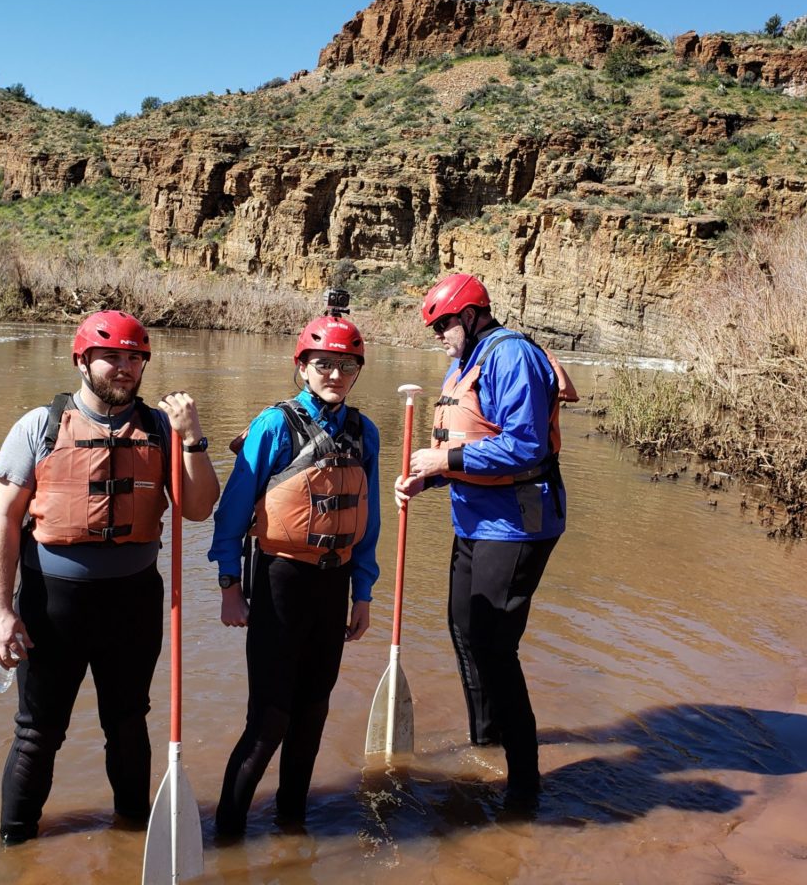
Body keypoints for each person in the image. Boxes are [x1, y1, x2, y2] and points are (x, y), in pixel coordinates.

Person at [0, 309, 219, 844]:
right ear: (81, 360)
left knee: (128, 722)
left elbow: (200, 508)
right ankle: (14, 848)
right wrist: (0, 611)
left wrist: (194, 436)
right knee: (38, 733)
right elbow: (2, 520)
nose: (124, 367)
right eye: (111, 356)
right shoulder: (38, 426)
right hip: (52, 602)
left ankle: (133, 839)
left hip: (134, 601)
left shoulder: (163, 429)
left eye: (134, 358)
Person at [394, 273, 572, 812]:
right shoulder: (464, 363)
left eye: (444, 324)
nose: (439, 335)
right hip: (474, 521)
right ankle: (485, 740)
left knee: (495, 646)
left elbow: (524, 447)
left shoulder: (509, 355)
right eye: (435, 328)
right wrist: (431, 478)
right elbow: (472, 437)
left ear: (471, 316)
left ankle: (523, 784)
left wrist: (443, 460)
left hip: (518, 524)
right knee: (463, 629)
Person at [209, 303, 380, 837]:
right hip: (280, 581)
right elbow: (233, 514)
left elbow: (366, 522)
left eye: (346, 366)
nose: (335, 375)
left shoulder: (364, 431)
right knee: (270, 720)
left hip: (333, 586)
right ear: (301, 366)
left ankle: (292, 825)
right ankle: (228, 834)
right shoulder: (273, 425)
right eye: (323, 364)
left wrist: (364, 592)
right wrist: (229, 585)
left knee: (312, 714)